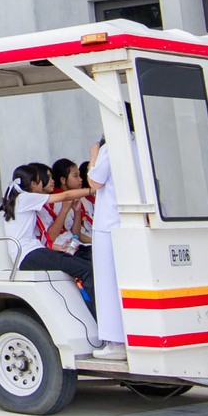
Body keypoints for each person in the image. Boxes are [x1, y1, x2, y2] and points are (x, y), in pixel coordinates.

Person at [1, 163, 94, 295]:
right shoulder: (25, 198)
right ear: (33, 184)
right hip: (29, 254)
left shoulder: (21, 200)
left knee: (85, 265)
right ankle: (97, 313)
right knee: (86, 271)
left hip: (35, 251)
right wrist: (92, 190)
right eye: (40, 180)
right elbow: (65, 196)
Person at [86, 139, 123, 351]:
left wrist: (94, 156)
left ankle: (114, 339)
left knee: (107, 282)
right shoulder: (138, 143)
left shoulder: (110, 148)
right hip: (125, 222)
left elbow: (94, 182)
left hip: (108, 223)